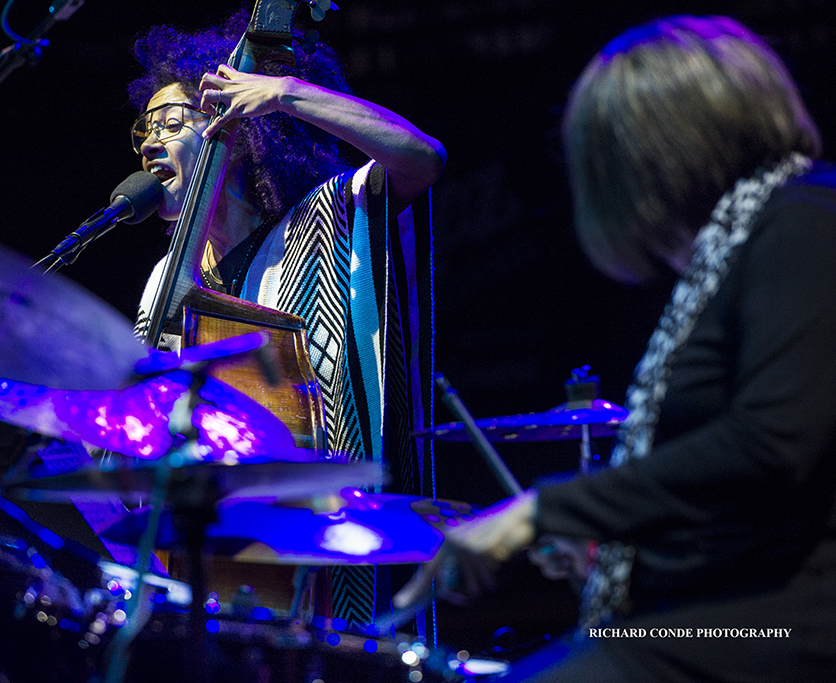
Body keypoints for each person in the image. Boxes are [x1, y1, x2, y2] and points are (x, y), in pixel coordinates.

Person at [395, 15, 836, 681]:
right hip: (730, 606)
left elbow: (773, 442)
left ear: (653, 157)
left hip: (786, 618)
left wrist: (544, 510)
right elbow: (743, 494)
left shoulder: (804, 220)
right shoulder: (743, 249)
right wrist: (610, 545)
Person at [127, 11, 446, 624]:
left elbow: (421, 160)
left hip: (334, 563)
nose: (148, 143)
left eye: (170, 122)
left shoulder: (327, 221)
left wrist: (287, 95)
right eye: (143, 129)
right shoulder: (165, 280)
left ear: (238, 131)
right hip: (205, 573)